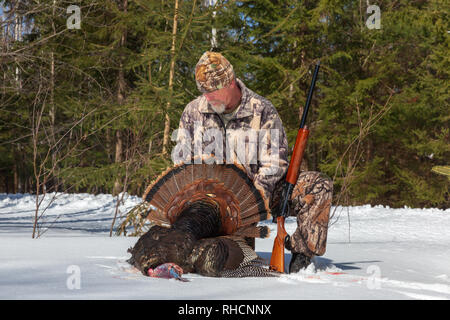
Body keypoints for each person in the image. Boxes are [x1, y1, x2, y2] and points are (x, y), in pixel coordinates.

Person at [173, 51, 333, 273]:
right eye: (204, 92)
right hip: (211, 204)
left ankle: (303, 257)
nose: (207, 97)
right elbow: (182, 163)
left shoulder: (262, 109)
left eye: (213, 91)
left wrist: (252, 199)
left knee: (318, 185)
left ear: (230, 82)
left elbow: (275, 162)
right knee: (227, 262)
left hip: (257, 196)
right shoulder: (194, 111)